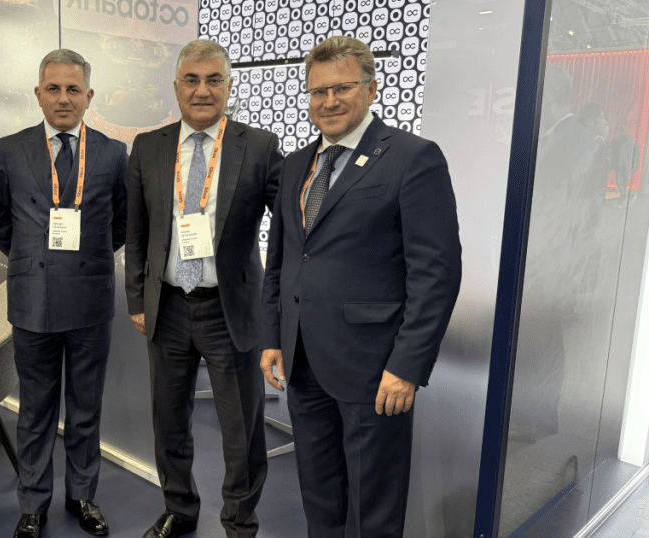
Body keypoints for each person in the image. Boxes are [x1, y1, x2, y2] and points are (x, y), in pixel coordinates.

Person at [259, 36, 461, 538]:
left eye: (342, 88)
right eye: (317, 91)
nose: (328, 102)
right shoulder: (295, 165)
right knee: (319, 495)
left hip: (375, 369)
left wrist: (407, 366)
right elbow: (282, 260)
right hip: (303, 362)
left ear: (371, 89)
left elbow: (436, 273)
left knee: (374, 507)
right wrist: (272, 337)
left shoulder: (413, 157)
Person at [125, 39, 283, 538]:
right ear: (176, 87)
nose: (202, 90)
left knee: (242, 430)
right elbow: (136, 231)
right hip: (167, 307)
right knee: (169, 420)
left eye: (214, 79)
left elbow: (290, 226)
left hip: (229, 309)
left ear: (229, 86)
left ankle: (239, 522)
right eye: (191, 80)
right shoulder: (148, 146)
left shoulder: (258, 146)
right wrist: (137, 300)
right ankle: (179, 508)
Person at [0, 48, 127, 538]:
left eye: (73, 89)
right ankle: (33, 503)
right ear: (38, 94)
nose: (63, 98)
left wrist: (89, 254)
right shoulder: (8, 149)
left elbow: (123, 222)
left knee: (85, 409)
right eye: (54, 88)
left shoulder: (113, 153)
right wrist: (28, 255)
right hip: (33, 300)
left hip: (91, 299)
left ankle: (82, 496)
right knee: (36, 411)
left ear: (89, 96)